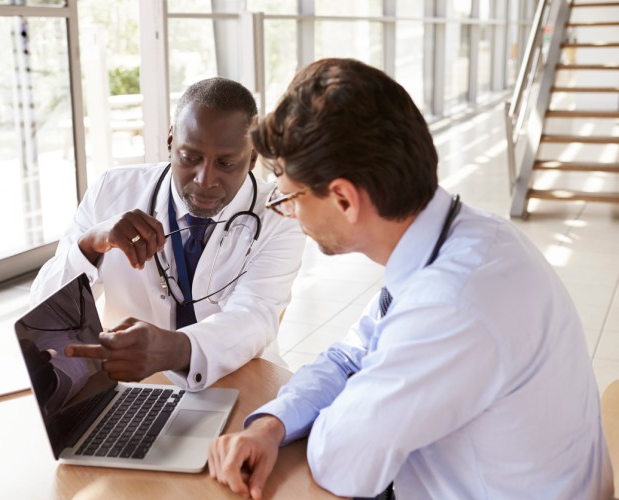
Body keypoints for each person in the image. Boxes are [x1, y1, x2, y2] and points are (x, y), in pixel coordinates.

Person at [208, 58, 613, 499]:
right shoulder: (462, 237)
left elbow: (341, 462)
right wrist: (272, 425)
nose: (289, 212)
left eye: (289, 198)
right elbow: (348, 357)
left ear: (343, 198)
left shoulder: (453, 302)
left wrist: (350, 404)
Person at [30, 77, 305, 391]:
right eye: (190, 158)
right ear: (171, 142)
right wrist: (90, 245)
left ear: (253, 157)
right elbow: (43, 309)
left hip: (237, 379)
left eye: (226, 163)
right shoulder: (112, 190)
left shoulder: (278, 216)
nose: (205, 179)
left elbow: (254, 316)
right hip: (132, 385)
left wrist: (172, 348)